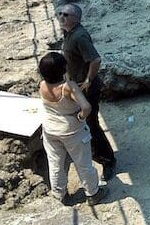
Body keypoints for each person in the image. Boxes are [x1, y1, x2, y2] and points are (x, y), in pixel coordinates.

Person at [38, 52, 108, 205]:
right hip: (72, 131)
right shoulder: (68, 87)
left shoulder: (42, 85)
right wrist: (81, 117)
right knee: (83, 163)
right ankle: (93, 193)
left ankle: (59, 195)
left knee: (55, 163)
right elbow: (86, 107)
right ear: (63, 69)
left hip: (50, 129)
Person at [58, 3, 116, 181]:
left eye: (66, 15)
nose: (61, 17)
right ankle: (94, 152)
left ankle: (108, 160)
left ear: (76, 18)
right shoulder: (69, 33)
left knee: (91, 123)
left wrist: (88, 80)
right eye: (60, 13)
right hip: (76, 86)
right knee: (84, 123)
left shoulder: (79, 36)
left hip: (86, 89)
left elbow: (96, 59)